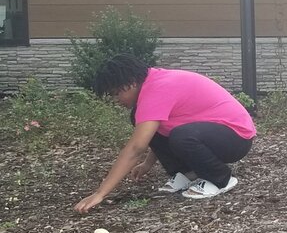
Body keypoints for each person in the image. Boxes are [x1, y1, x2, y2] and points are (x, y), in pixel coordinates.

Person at [74, 54, 256, 213]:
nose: (115, 101)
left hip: (236, 137)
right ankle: (187, 173)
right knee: (142, 120)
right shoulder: (151, 85)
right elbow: (159, 130)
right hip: (210, 132)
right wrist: (147, 163)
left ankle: (220, 179)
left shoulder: (157, 89)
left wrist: (100, 193)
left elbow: (137, 147)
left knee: (182, 136)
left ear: (129, 84)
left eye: (115, 94)